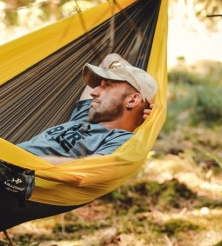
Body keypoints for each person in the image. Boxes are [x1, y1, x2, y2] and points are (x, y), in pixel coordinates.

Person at [17, 53, 158, 164]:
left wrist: (16, 160)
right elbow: (111, 59)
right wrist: (155, 102)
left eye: (107, 86)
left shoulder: (123, 140)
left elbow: (87, 168)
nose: (93, 92)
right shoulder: (87, 115)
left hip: (10, 175)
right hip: (1, 161)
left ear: (133, 100)